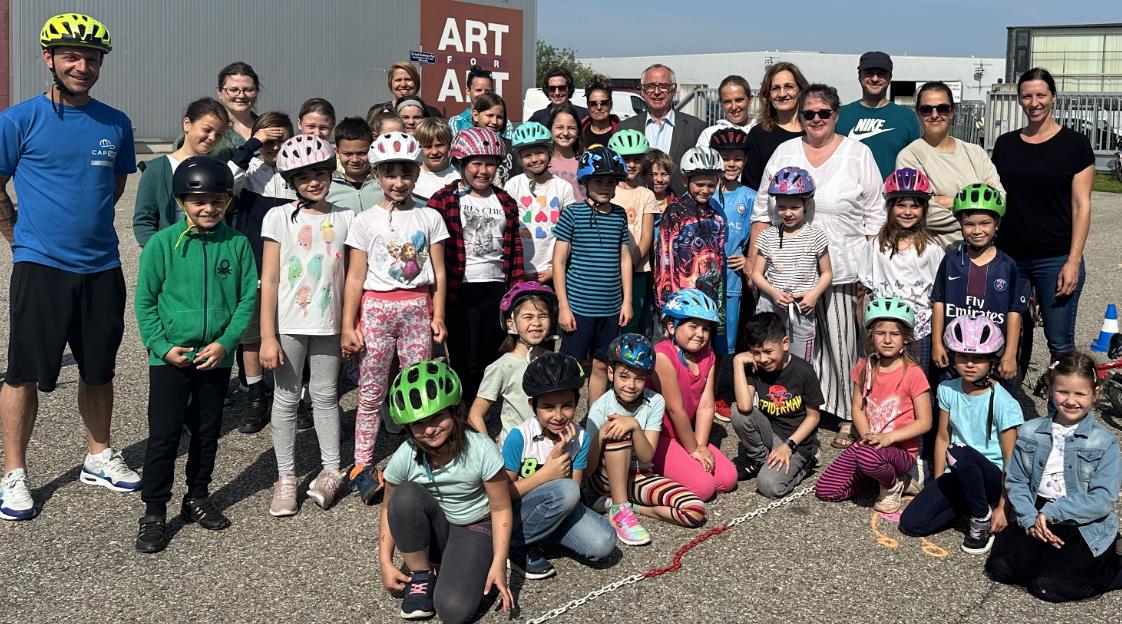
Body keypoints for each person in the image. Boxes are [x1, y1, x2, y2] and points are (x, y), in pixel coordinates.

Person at [0, 13, 140, 522]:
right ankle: (14, 472)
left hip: (102, 266)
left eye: (92, 58)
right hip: (41, 267)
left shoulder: (116, 123)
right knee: (23, 374)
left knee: (99, 368)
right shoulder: (18, 120)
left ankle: (98, 456)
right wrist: (17, 237)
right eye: (72, 57)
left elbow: (114, 188)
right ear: (49, 59)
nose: (83, 66)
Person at [133, 156, 257, 552]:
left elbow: (246, 300)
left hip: (215, 357)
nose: (208, 208)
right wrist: (161, 346)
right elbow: (145, 302)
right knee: (164, 435)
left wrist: (225, 343)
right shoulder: (161, 244)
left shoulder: (236, 244)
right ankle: (154, 509)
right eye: (198, 201)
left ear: (228, 201)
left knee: (206, 433)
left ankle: (197, 496)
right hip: (170, 358)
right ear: (181, 201)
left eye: (217, 201)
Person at [751, 84, 884, 447]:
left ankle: (848, 414)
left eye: (824, 113)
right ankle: (797, 408)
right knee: (794, 346)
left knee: (842, 345)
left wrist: (871, 271)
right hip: (788, 273)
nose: (816, 119)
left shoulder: (857, 153)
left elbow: (875, 216)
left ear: (836, 115)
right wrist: (753, 263)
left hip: (841, 268)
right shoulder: (785, 151)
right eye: (808, 113)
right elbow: (762, 210)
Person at [342, 132, 449, 505]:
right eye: (390, 174)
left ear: (417, 173)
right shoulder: (364, 220)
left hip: (417, 308)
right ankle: (362, 464)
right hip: (376, 310)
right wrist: (348, 324)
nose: (398, 182)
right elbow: (355, 276)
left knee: (418, 389)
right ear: (376, 175)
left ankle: (423, 459)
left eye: (406, 173)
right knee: (371, 391)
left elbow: (439, 272)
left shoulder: (429, 216)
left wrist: (439, 314)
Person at [258, 135, 355, 516]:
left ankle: (331, 470)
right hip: (289, 322)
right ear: (291, 182)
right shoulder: (278, 217)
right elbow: (269, 278)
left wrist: (350, 324)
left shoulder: (347, 218)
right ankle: (286, 477)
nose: (313, 182)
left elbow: (353, 276)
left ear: (330, 173)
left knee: (326, 395)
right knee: (286, 397)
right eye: (302, 177)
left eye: (319, 173)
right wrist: (267, 335)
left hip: (330, 322)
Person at [377, 361, 513, 623]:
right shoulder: (406, 454)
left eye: (437, 417)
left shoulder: (481, 449)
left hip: (475, 525)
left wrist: (499, 562)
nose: (429, 429)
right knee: (404, 496)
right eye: (418, 424)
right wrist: (385, 562)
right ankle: (422, 574)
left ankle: (459, 563)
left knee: (453, 611)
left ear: (454, 410)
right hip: (438, 525)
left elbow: (501, 508)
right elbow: (387, 506)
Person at [987, 352, 1122, 603]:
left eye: (1080, 394)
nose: (1071, 400)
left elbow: (1102, 499)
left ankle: (1112, 566)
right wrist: (1029, 518)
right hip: (1037, 512)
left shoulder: (1104, 442)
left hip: (1081, 523)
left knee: (1047, 587)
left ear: (1095, 394)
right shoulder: (1030, 431)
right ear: (1050, 390)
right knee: (1001, 569)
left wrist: (1051, 512)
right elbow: (1016, 480)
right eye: (1062, 392)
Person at [992, 68, 1094, 367]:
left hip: (1056, 256)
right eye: (1027, 96)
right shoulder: (1006, 144)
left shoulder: (1075, 145)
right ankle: (1007, 397)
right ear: (1019, 100)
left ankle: (1062, 398)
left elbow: (1081, 206)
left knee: (1059, 342)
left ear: (1053, 97)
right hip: (1011, 256)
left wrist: (1073, 261)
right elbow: (996, 196)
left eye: (1041, 95)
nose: (1034, 103)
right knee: (1005, 339)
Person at [899, 316, 1024, 554]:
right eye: (963, 356)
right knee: (911, 524)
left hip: (992, 478)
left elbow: (1012, 460)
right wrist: (938, 483)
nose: (970, 364)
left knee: (959, 452)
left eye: (979, 358)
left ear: (992, 360)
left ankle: (982, 517)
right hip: (959, 470)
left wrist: (1003, 508)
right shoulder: (948, 389)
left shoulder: (1004, 403)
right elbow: (942, 438)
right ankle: (971, 503)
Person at [426, 127, 525, 402]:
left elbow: (515, 251)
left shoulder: (505, 201)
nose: (483, 171)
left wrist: (516, 293)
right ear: (461, 163)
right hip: (460, 288)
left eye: (490, 164)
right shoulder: (443, 199)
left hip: (495, 288)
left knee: (491, 353)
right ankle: (461, 409)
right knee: (462, 355)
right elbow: (433, 250)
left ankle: (480, 410)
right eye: (476, 164)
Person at [502, 353, 616, 580]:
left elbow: (573, 493)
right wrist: (545, 474)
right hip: (521, 512)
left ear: (577, 402)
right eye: (548, 407)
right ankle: (515, 546)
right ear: (533, 405)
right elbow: (503, 494)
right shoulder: (519, 437)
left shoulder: (581, 438)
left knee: (604, 543)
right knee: (566, 490)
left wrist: (562, 450)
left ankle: (542, 536)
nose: (558, 416)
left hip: (560, 509)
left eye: (567, 406)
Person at [587, 334, 708, 545]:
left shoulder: (655, 401)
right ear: (611, 373)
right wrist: (601, 435)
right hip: (604, 479)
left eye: (639, 378)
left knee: (695, 511)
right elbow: (588, 468)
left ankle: (627, 506)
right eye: (624, 376)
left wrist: (634, 425)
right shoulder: (600, 407)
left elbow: (646, 456)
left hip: (637, 475)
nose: (631, 385)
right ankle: (620, 511)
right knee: (618, 431)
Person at [814, 298, 932, 511]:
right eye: (880, 333)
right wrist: (867, 434)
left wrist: (889, 438)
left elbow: (925, 422)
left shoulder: (914, 373)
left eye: (895, 334)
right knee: (826, 490)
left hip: (900, 451)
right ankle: (880, 478)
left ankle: (893, 484)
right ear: (871, 335)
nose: (887, 340)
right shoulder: (864, 366)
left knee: (868, 456)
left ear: (905, 338)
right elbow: (857, 408)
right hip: (870, 446)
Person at [227, 111, 296, 433]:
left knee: (291, 333)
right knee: (252, 336)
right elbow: (225, 179)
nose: (274, 146)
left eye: (281, 140)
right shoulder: (249, 172)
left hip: (292, 270)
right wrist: (253, 144)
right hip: (254, 267)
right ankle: (256, 395)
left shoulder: (296, 173)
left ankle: (295, 393)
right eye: (268, 140)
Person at [553, 145, 633, 406]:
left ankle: (593, 420)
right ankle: (564, 415)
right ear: (585, 182)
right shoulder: (572, 214)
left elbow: (624, 258)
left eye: (611, 182)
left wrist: (627, 301)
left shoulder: (619, 215)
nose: (606, 187)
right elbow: (559, 262)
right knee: (571, 367)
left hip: (611, 309)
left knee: (601, 364)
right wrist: (563, 307)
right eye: (599, 181)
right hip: (578, 309)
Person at [648, 289, 738, 500]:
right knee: (703, 488)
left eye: (706, 328)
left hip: (684, 432)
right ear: (672, 327)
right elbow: (675, 409)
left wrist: (700, 446)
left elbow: (706, 406)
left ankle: (680, 464)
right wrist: (693, 449)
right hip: (657, 435)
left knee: (728, 479)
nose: (700, 334)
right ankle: (646, 477)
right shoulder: (662, 356)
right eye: (693, 326)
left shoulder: (708, 355)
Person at [931, 184, 1025, 384]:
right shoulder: (950, 260)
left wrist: (1010, 355)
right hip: (955, 354)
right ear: (959, 223)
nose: (976, 230)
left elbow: (1014, 311)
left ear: (997, 223)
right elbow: (939, 302)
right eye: (969, 224)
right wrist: (937, 343)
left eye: (985, 223)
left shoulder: (1007, 265)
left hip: (992, 355)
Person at [858, 168, 944, 382]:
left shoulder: (933, 249)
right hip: (883, 330)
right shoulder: (876, 246)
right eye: (901, 205)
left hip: (919, 332)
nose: (907, 212)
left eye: (915, 206)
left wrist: (938, 340)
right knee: (882, 383)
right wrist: (864, 332)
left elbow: (940, 298)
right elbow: (862, 291)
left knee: (918, 385)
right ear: (889, 207)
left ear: (924, 209)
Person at [896, 81, 1005, 249]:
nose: (934, 115)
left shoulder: (975, 153)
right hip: (937, 256)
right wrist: (979, 207)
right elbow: (918, 213)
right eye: (926, 109)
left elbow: (1000, 200)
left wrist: (947, 201)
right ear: (918, 114)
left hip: (982, 255)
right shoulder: (909, 157)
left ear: (952, 111)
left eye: (942, 108)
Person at [731, 312, 824, 497]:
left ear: (785, 344)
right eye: (756, 353)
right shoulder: (755, 367)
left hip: (797, 441)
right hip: (771, 434)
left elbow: (814, 417)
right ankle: (761, 460)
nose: (763, 359)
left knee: (768, 486)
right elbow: (744, 407)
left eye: (768, 352)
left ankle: (809, 461)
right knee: (737, 412)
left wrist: (788, 445)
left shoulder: (804, 371)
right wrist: (738, 362)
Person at [750, 167, 831, 363]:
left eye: (794, 207)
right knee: (766, 355)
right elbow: (756, 274)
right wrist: (774, 293)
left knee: (799, 362)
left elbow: (827, 273)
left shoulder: (816, 236)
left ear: (806, 205)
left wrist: (813, 295)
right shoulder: (768, 236)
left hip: (801, 308)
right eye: (781, 207)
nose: (787, 213)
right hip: (770, 306)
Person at [134, 98, 230, 246]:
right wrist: (159, 252)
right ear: (187, 124)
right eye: (207, 130)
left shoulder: (220, 169)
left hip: (212, 251)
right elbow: (144, 222)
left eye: (219, 134)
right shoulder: (157, 170)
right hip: (172, 251)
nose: (212, 138)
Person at [467, 283, 556, 440]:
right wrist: (489, 450)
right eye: (528, 317)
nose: (536, 322)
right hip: (516, 449)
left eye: (543, 316)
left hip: (549, 445)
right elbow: (475, 415)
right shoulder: (502, 366)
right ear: (511, 323)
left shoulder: (554, 360)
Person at [652, 147, 727, 333]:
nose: (705, 190)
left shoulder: (717, 216)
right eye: (699, 184)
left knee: (704, 343)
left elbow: (719, 262)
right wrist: (665, 303)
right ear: (685, 180)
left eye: (711, 185)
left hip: (709, 299)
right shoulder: (674, 213)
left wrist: (719, 305)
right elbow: (664, 260)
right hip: (681, 299)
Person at [709, 128, 757, 374]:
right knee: (700, 334)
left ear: (745, 160)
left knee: (723, 343)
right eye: (725, 158)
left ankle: (718, 388)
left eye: (737, 158)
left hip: (731, 281)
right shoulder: (703, 193)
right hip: (703, 279)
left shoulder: (750, 197)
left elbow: (759, 233)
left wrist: (748, 258)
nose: (731, 163)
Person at [505, 122, 575, 283]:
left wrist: (555, 269)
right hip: (520, 268)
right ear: (519, 159)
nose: (534, 159)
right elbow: (508, 230)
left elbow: (570, 233)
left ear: (549, 152)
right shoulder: (512, 186)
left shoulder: (564, 187)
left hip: (553, 269)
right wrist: (517, 269)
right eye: (527, 156)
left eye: (539, 153)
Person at [619, 64, 705, 195]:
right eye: (650, 86)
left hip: (680, 202)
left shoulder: (696, 127)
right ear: (642, 91)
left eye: (664, 86)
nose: (657, 92)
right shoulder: (626, 127)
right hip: (636, 202)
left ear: (674, 89)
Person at [835, 51, 921, 180]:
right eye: (869, 73)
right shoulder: (839, 115)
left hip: (891, 191)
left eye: (881, 74)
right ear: (859, 76)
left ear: (890, 77)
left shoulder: (907, 117)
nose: (875, 79)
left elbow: (915, 163)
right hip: (848, 191)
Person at [606, 130, 659, 334]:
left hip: (637, 270)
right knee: (607, 322)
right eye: (625, 159)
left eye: (637, 159)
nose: (631, 164)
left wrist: (630, 264)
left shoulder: (646, 195)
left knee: (631, 322)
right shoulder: (606, 191)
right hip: (607, 270)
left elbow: (646, 236)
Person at [743, 62, 807, 191]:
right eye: (776, 88)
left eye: (789, 87)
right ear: (768, 95)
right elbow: (750, 188)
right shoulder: (758, 135)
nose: (782, 94)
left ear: (800, 91)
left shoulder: (813, 131)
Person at [325, 116, 383, 214]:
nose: (355, 160)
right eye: (348, 154)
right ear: (337, 153)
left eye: (362, 153)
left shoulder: (382, 184)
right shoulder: (328, 189)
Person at [469, 93, 520, 185]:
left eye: (499, 117)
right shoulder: (466, 145)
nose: (494, 122)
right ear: (476, 115)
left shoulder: (512, 148)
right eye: (489, 115)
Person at [449, 65, 510, 138]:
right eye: (478, 90)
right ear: (468, 91)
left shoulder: (506, 124)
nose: (483, 94)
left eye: (487, 91)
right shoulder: (457, 122)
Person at [697, 75, 756, 148]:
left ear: (750, 100)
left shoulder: (763, 131)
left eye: (739, 100)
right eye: (727, 101)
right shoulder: (709, 134)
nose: (734, 107)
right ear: (721, 104)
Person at [372, 60, 442, 118]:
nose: (403, 84)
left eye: (408, 79)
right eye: (398, 80)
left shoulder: (432, 114)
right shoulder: (377, 112)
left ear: (416, 82)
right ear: (390, 83)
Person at [414, 117, 459, 202]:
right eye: (428, 146)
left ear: (450, 145)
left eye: (439, 145)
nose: (434, 152)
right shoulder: (411, 177)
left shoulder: (459, 179)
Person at [547, 103, 584, 202]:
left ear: (578, 131)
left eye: (571, 128)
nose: (565, 133)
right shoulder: (542, 161)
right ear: (550, 129)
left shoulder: (585, 161)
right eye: (559, 127)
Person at [580, 75, 620, 148]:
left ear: (610, 105)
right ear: (588, 106)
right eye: (593, 103)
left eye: (604, 103)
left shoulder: (621, 133)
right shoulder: (579, 132)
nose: (599, 108)